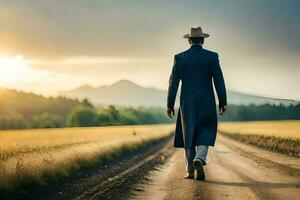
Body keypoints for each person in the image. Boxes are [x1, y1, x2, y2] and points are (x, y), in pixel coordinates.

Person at [166, 26, 227, 181]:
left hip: (187, 102)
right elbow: (219, 80)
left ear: (189, 40)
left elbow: (173, 83)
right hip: (207, 100)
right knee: (205, 131)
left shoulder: (180, 58)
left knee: (188, 134)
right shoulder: (212, 57)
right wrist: (223, 101)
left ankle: (190, 170)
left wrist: (170, 104)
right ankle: (200, 158)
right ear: (203, 40)